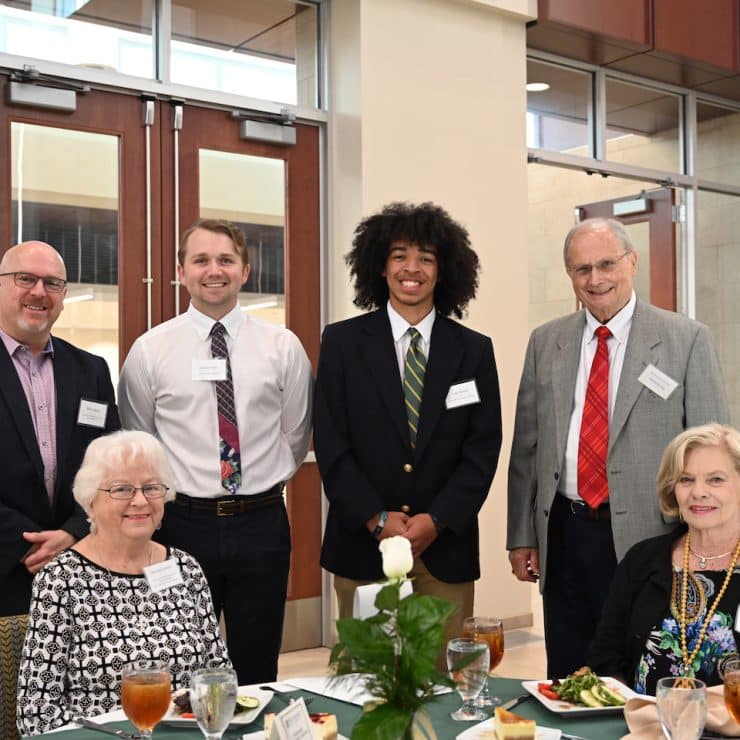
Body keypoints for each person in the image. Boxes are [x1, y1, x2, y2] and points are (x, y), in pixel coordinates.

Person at [507, 217, 729, 679]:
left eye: (606, 263)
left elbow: (713, 449)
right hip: (565, 536)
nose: (595, 279)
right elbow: (527, 447)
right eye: (581, 269)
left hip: (652, 537)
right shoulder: (545, 341)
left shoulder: (686, 340)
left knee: (637, 667)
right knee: (569, 671)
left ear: (633, 261)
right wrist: (522, 534)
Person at [118, 218, 312, 684]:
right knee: (178, 662)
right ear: (181, 271)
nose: (214, 270)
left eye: (226, 259)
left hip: (261, 523)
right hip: (182, 525)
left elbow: (296, 434)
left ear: (245, 270)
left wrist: (259, 482)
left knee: (258, 664)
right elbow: (140, 440)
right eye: (201, 260)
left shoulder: (282, 347)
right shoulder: (150, 351)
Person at [314, 201, 502, 642]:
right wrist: (375, 519)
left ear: (444, 270)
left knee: (443, 685)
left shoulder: (473, 350)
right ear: (380, 266)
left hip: (445, 549)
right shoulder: (342, 343)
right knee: (367, 687)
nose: (411, 268)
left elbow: (482, 449)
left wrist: (436, 520)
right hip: (363, 546)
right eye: (399, 255)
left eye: (426, 258)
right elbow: (330, 442)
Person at [16, 430, 230, 735]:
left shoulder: (186, 568)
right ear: (90, 500)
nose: (140, 501)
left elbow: (217, 677)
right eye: (122, 489)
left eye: (152, 488)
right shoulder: (60, 580)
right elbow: (35, 714)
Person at [0, 241, 119, 737]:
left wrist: (71, 533)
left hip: (78, 569)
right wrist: (29, 541)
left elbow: (108, 466)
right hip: (5, 565)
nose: (39, 292)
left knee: (72, 709)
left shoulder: (90, 370)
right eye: (25, 279)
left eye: (52, 283)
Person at [588, 423, 740, 694]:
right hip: (643, 726)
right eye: (686, 479)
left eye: (716, 479)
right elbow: (606, 657)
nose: (698, 492)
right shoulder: (642, 559)